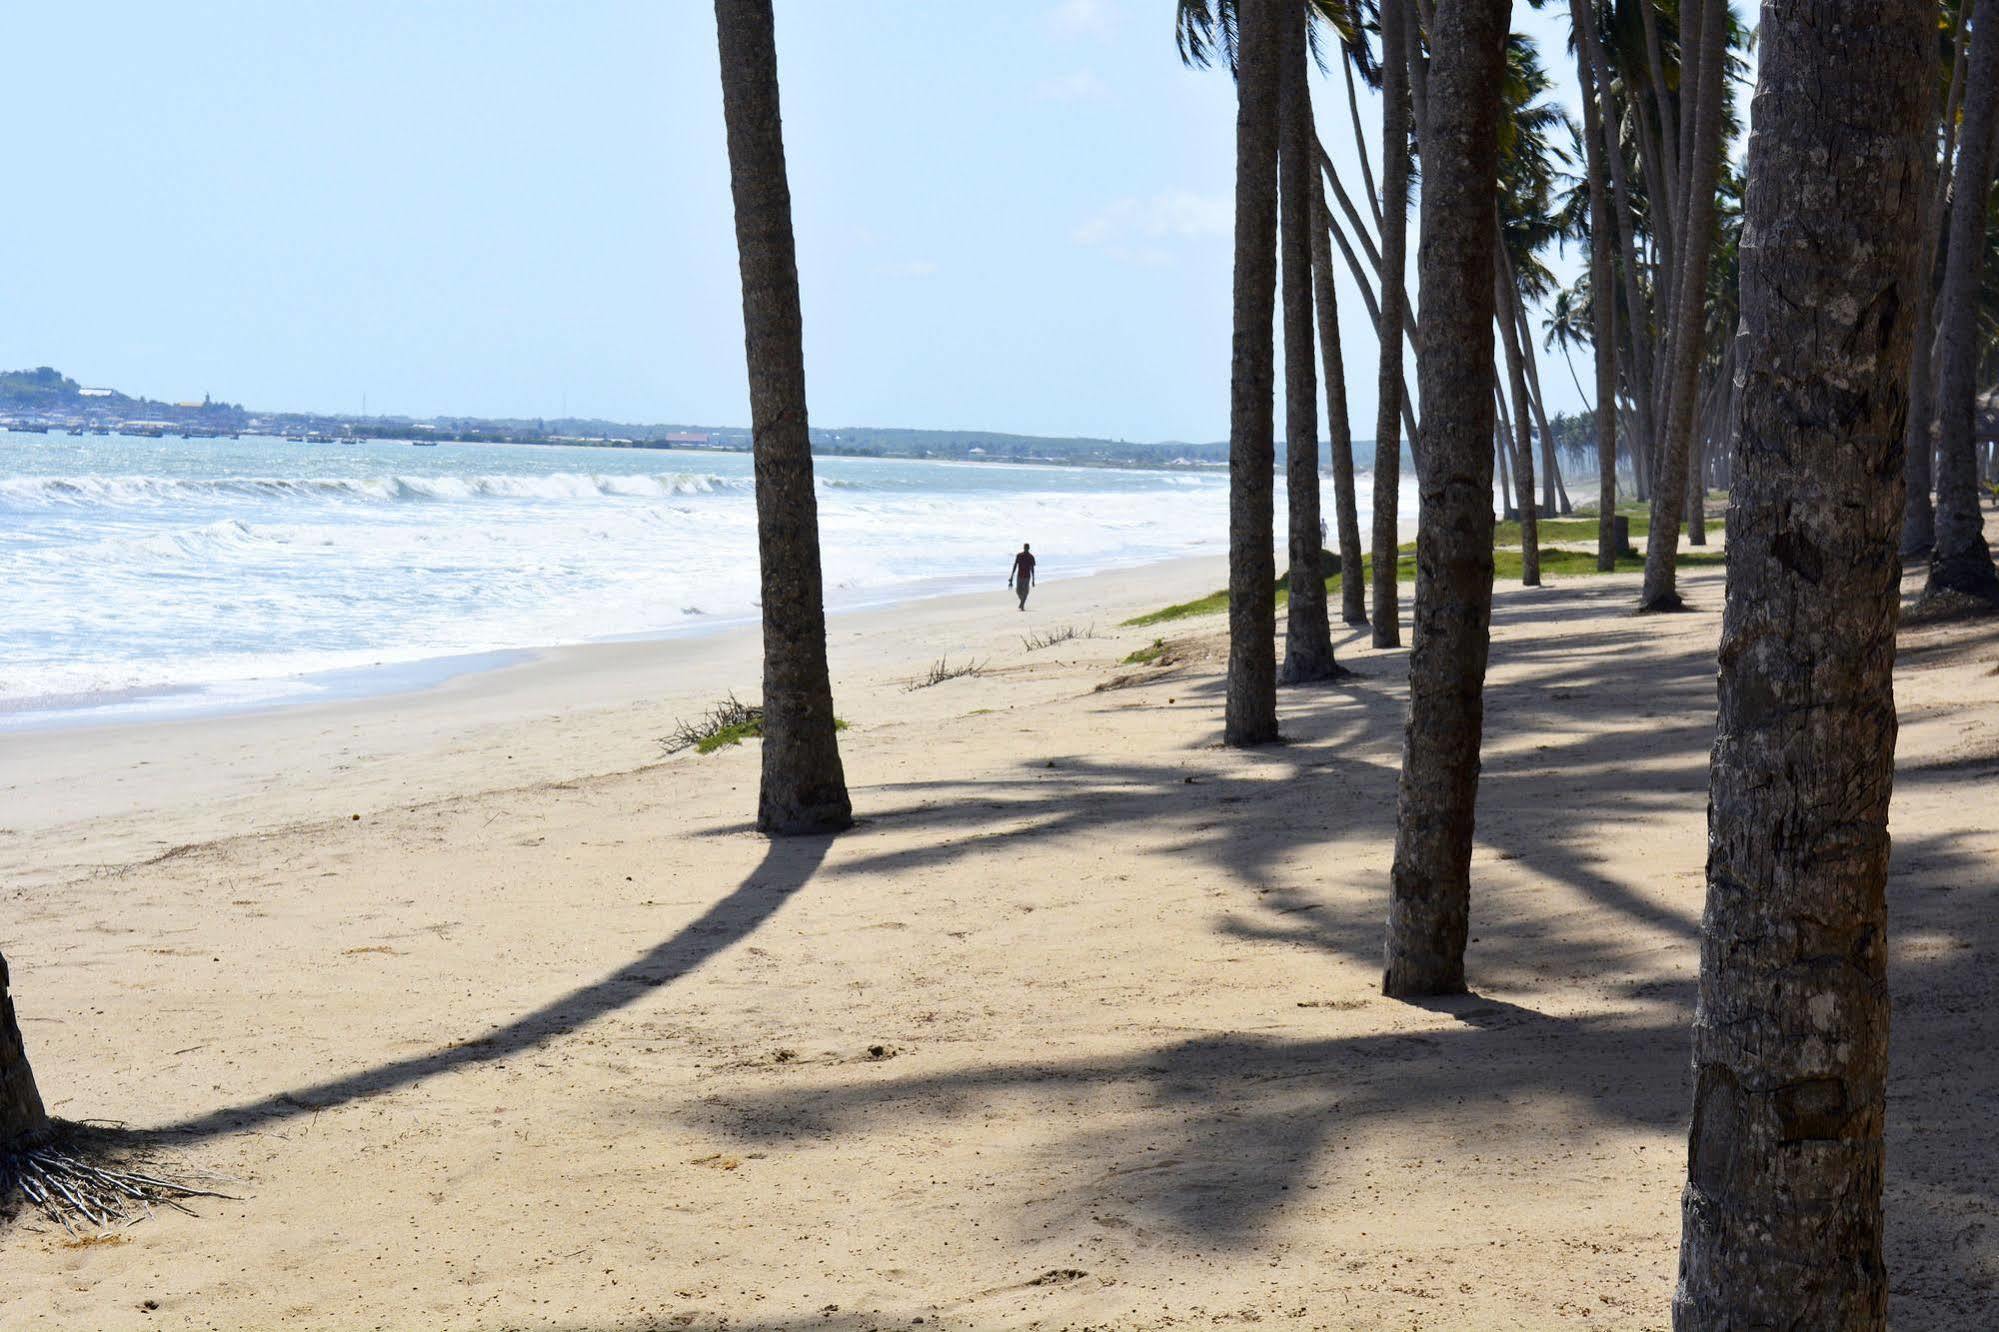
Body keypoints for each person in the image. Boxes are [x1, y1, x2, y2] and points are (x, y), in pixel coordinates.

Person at [1007, 543, 1036, 611]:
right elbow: (1015, 565)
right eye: (1025, 547)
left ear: (1028, 548)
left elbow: (1032, 569)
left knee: (1025, 591)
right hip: (1019, 576)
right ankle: (1022, 602)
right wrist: (1012, 576)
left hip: (1027, 576)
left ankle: (1022, 605)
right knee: (1018, 590)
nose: (1026, 548)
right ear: (1023, 548)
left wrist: (1033, 579)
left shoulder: (1031, 557)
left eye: (1027, 547)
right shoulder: (1019, 555)